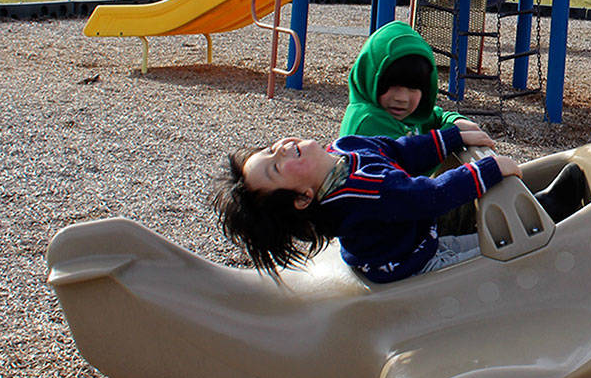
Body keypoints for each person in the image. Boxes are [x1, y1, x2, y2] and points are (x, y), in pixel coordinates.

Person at [212, 120, 521, 283]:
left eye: (268, 151)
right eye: (275, 168)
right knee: (504, 256)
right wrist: (486, 171)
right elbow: (429, 197)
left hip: (420, 240)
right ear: (304, 198)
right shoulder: (362, 192)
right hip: (414, 267)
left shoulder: (343, 148)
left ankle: (547, 202)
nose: (278, 150)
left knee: (486, 238)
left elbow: (399, 151)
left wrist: (450, 138)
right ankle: (551, 215)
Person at [341, 21, 479, 148]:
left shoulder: (409, 116)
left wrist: (457, 121)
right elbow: (412, 157)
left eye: (413, 87)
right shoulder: (368, 121)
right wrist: (454, 135)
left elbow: (439, 116)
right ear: (370, 78)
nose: (402, 98)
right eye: (392, 85)